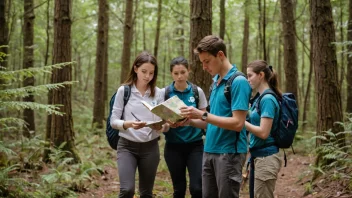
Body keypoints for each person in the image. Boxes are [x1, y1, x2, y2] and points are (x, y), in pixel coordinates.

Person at [179, 35, 252, 198]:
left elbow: (238, 123)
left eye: (207, 61)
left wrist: (203, 114)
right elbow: (210, 122)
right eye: (202, 62)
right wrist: (189, 121)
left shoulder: (238, 81)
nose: (204, 67)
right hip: (209, 150)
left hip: (229, 154)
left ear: (220, 55)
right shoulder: (215, 84)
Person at [110, 51, 169, 198]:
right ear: (135, 69)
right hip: (127, 146)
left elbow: (166, 123)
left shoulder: (159, 93)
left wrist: (162, 127)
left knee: (146, 193)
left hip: (150, 147)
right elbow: (113, 121)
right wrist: (129, 124)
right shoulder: (124, 91)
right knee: (127, 190)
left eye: (151, 73)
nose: (147, 76)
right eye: (144, 71)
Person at [161, 57, 207, 198]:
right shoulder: (165, 93)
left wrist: (190, 121)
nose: (180, 76)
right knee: (179, 189)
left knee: (197, 188)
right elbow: (162, 124)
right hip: (173, 147)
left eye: (183, 72)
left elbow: (205, 121)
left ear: (189, 71)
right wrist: (168, 125)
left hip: (195, 146)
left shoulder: (197, 92)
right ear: (171, 74)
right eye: (176, 73)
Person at [245, 60, 282, 198]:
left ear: (261, 75)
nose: (247, 79)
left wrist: (241, 122)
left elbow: (264, 132)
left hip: (266, 158)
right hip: (257, 157)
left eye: (250, 75)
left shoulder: (267, 99)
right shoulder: (258, 99)